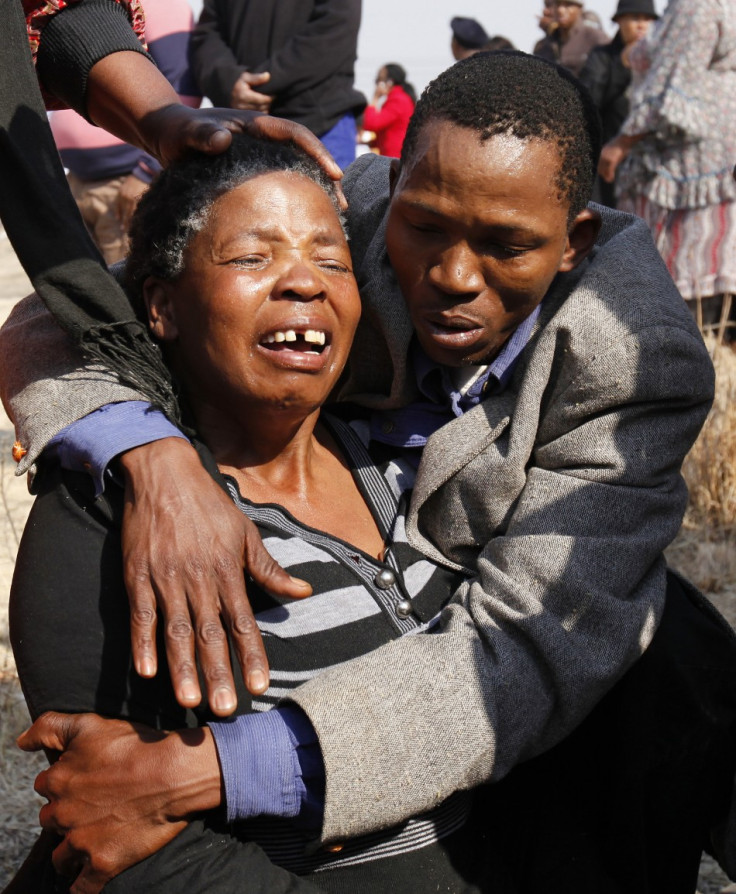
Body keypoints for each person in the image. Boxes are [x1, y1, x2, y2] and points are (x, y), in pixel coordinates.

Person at [5, 51, 733, 888]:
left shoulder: (634, 362)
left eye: (506, 247)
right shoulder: (345, 216)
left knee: (662, 642)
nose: (454, 278)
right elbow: (66, 318)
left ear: (575, 245)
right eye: (424, 229)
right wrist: (150, 451)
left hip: (523, 727)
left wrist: (221, 769)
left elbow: (525, 648)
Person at [10, 132, 507, 893]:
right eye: (253, 257)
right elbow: (130, 842)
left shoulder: (409, 458)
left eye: (332, 259)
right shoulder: (110, 513)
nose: (304, 282)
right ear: (163, 305)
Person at [598, 0, 736, 338]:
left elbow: (672, 86)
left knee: (686, 285)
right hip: (713, 151)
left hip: (687, 159)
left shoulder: (697, 4)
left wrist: (621, 143)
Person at [49, 0, 201, 264]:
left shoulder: (161, 4)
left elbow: (183, 91)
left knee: (124, 290)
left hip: (127, 182)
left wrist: (148, 170)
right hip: (77, 181)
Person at [189, 0, 365, 171]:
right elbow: (207, 33)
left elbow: (336, 26)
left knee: (330, 200)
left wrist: (257, 85)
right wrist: (228, 81)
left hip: (320, 124)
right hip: (240, 131)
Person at [579, 0, 658, 207]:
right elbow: (589, 104)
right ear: (619, 21)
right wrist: (623, 67)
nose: (641, 25)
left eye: (647, 19)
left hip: (651, 163)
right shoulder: (601, 57)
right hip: (608, 160)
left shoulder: (661, 60)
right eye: (634, 18)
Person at [534, 0, 610, 76]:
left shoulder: (595, 37)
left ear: (580, 8)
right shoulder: (542, 46)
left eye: (568, 5)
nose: (560, 10)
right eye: (557, 4)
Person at [362, 63, 415, 158]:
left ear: (390, 82)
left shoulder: (397, 100)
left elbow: (371, 123)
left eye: (379, 79)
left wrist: (375, 98)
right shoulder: (400, 98)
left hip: (394, 156)